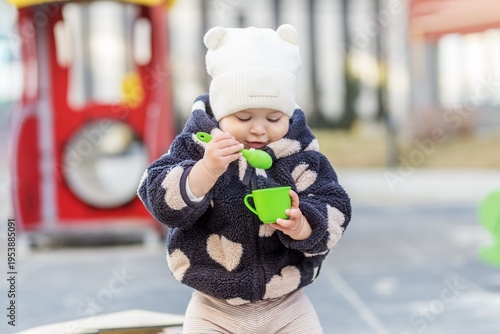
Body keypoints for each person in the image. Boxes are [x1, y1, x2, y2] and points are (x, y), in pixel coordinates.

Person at [137, 24, 351, 333]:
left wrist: (303, 225)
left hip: (287, 304)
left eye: (274, 118)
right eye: (244, 118)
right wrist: (205, 171)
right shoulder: (198, 147)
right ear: (221, 111)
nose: (259, 130)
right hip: (213, 306)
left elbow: (335, 205)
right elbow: (157, 195)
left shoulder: (299, 156)